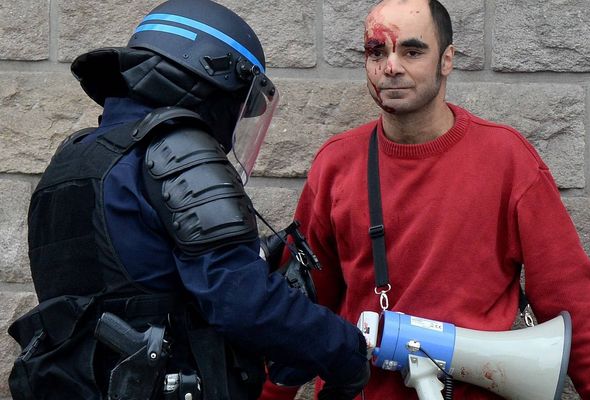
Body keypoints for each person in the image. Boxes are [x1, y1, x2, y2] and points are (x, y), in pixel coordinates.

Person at [6, 1, 370, 399]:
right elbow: (242, 304)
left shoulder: (75, 156)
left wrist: (252, 253)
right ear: (215, 73)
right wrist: (346, 351)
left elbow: (130, 279)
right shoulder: (177, 148)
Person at [259, 0, 590, 399]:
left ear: (447, 60)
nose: (391, 67)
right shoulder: (336, 163)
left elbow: (575, 303)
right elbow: (303, 307)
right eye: (377, 51)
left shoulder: (507, 160)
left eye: (412, 51)